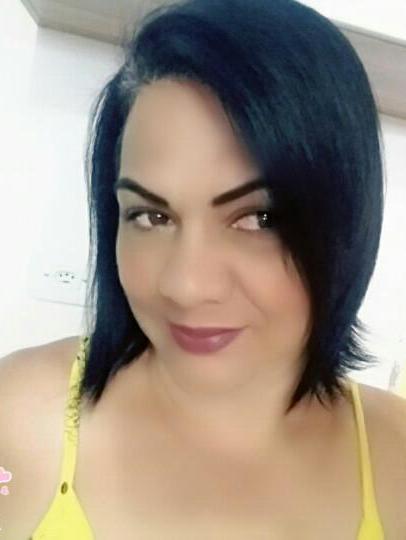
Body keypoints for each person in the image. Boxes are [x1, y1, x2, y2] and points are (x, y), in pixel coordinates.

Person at [1, 0, 405, 538]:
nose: (186, 286)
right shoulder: (19, 416)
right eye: (151, 216)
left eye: (259, 218)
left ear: (345, 220)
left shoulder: (397, 456)